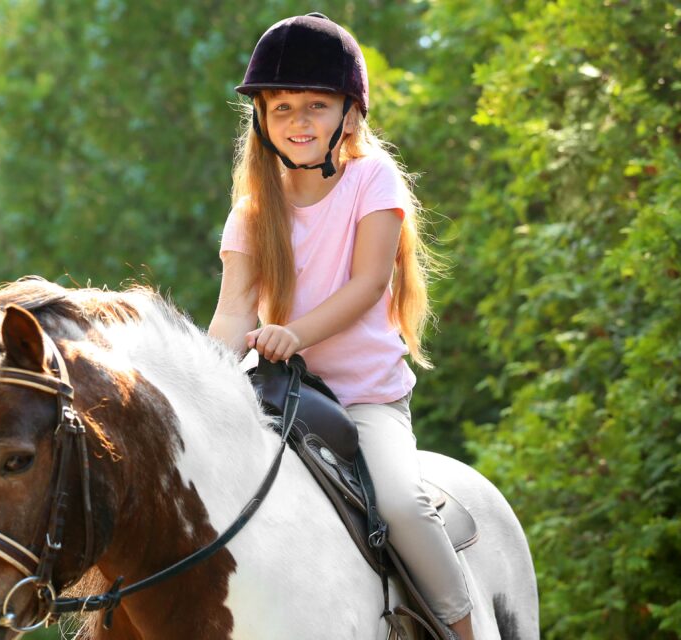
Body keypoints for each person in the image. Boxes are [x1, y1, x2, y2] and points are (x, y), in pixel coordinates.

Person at [206, 12, 475, 640]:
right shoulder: (251, 212)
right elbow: (233, 312)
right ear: (262, 121)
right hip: (281, 395)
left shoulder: (371, 181)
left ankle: (466, 630)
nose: (299, 122)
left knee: (404, 508)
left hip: (364, 398)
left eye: (316, 106)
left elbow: (367, 285)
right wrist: (204, 388)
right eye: (283, 108)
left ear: (349, 115)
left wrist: (294, 333)